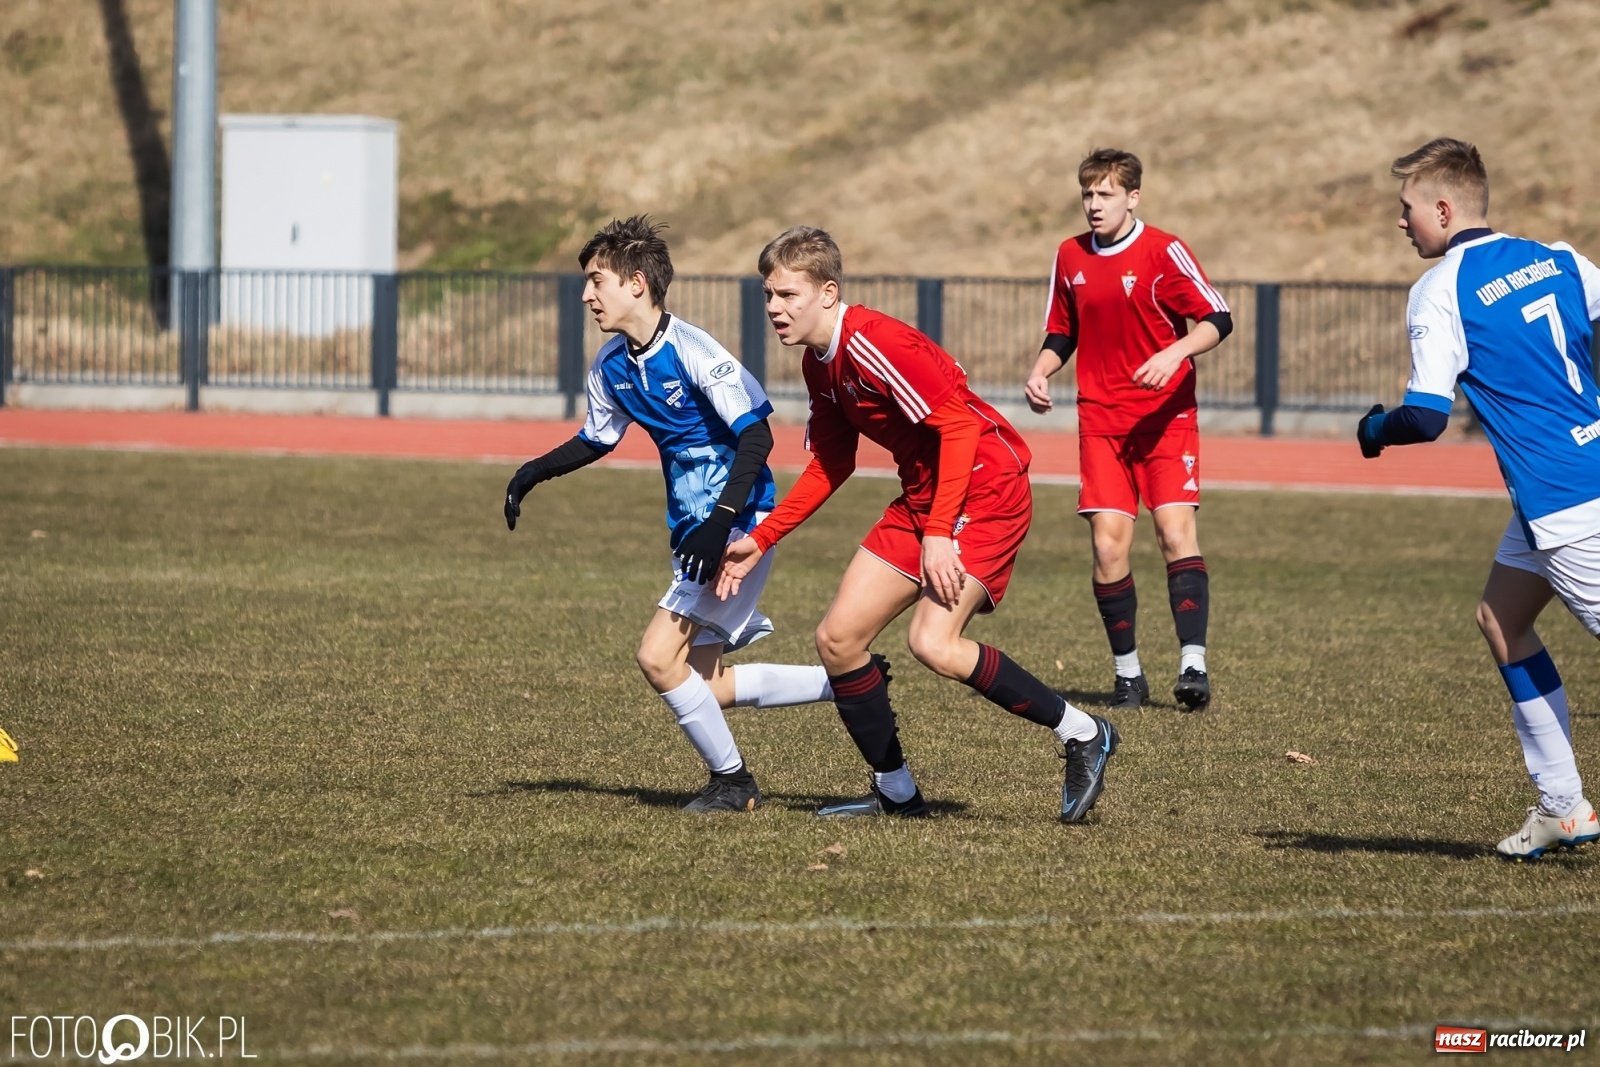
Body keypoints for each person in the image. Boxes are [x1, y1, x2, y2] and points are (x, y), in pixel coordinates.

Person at [716, 225, 1118, 823]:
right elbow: (833, 461)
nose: (773, 308)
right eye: (768, 295)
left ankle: (1083, 731)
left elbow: (959, 429)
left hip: (986, 487)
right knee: (838, 640)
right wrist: (761, 539)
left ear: (828, 293)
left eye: (787, 295)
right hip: (926, 497)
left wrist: (938, 535)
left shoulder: (874, 341)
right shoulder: (818, 364)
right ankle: (897, 793)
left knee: (932, 643)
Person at [504, 216, 837, 813]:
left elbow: (757, 436)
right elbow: (596, 439)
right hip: (693, 529)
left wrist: (725, 521)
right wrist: (533, 472)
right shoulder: (612, 364)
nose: (586, 295)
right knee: (703, 684)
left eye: (595, 281)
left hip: (738, 525)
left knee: (657, 657)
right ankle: (848, 681)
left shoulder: (694, 351)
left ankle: (733, 784)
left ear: (636, 283)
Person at [1356, 137, 1600, 860]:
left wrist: (1373, 429)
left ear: (1442, 206)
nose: (1401, 224)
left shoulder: (1441, 289)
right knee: (1501, 616)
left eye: (1406, 211)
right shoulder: (1558, 257)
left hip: (1567, 502)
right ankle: (1563, 806)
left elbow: (1427, 415)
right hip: (1566, 488)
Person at [1024, 149, 1233, 712]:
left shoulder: (1164, 251)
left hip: (1165, 420)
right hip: (1102, 422)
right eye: (1088, 195)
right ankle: (1128, 677)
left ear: (1133, 197)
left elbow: (1218, 317)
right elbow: (1061, 331)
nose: (1094, 205)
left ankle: (1193, 667)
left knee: (1173, 534)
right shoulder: (1069, 255)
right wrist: (1041, 371)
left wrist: (1176, 352)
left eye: (1106, 194)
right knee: (1108, 547)